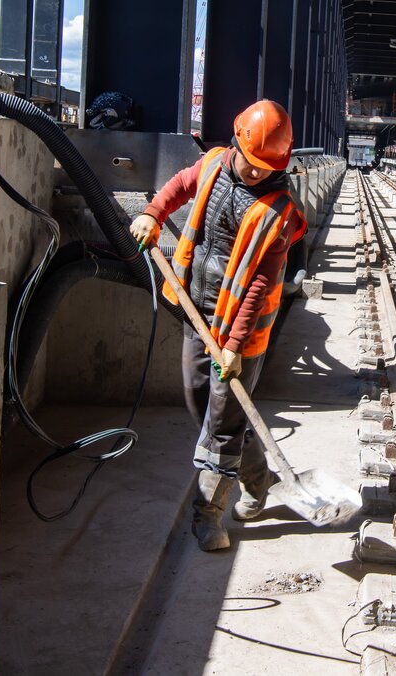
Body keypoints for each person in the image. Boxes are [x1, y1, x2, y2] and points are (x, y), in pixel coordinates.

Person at [129, 99, 306, 551]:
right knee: (197, 398)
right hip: (197, 310)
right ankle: (258, 475)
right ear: (237, 145)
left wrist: (236, 344)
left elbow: (262, 283)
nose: (258, 174)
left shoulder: (280, 212)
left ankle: (208, 513)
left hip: (240, 327)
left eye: (269, 168)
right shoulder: (211, 164)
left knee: (223, 423)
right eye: (252, 165)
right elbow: (181, 184)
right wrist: (153, 213)